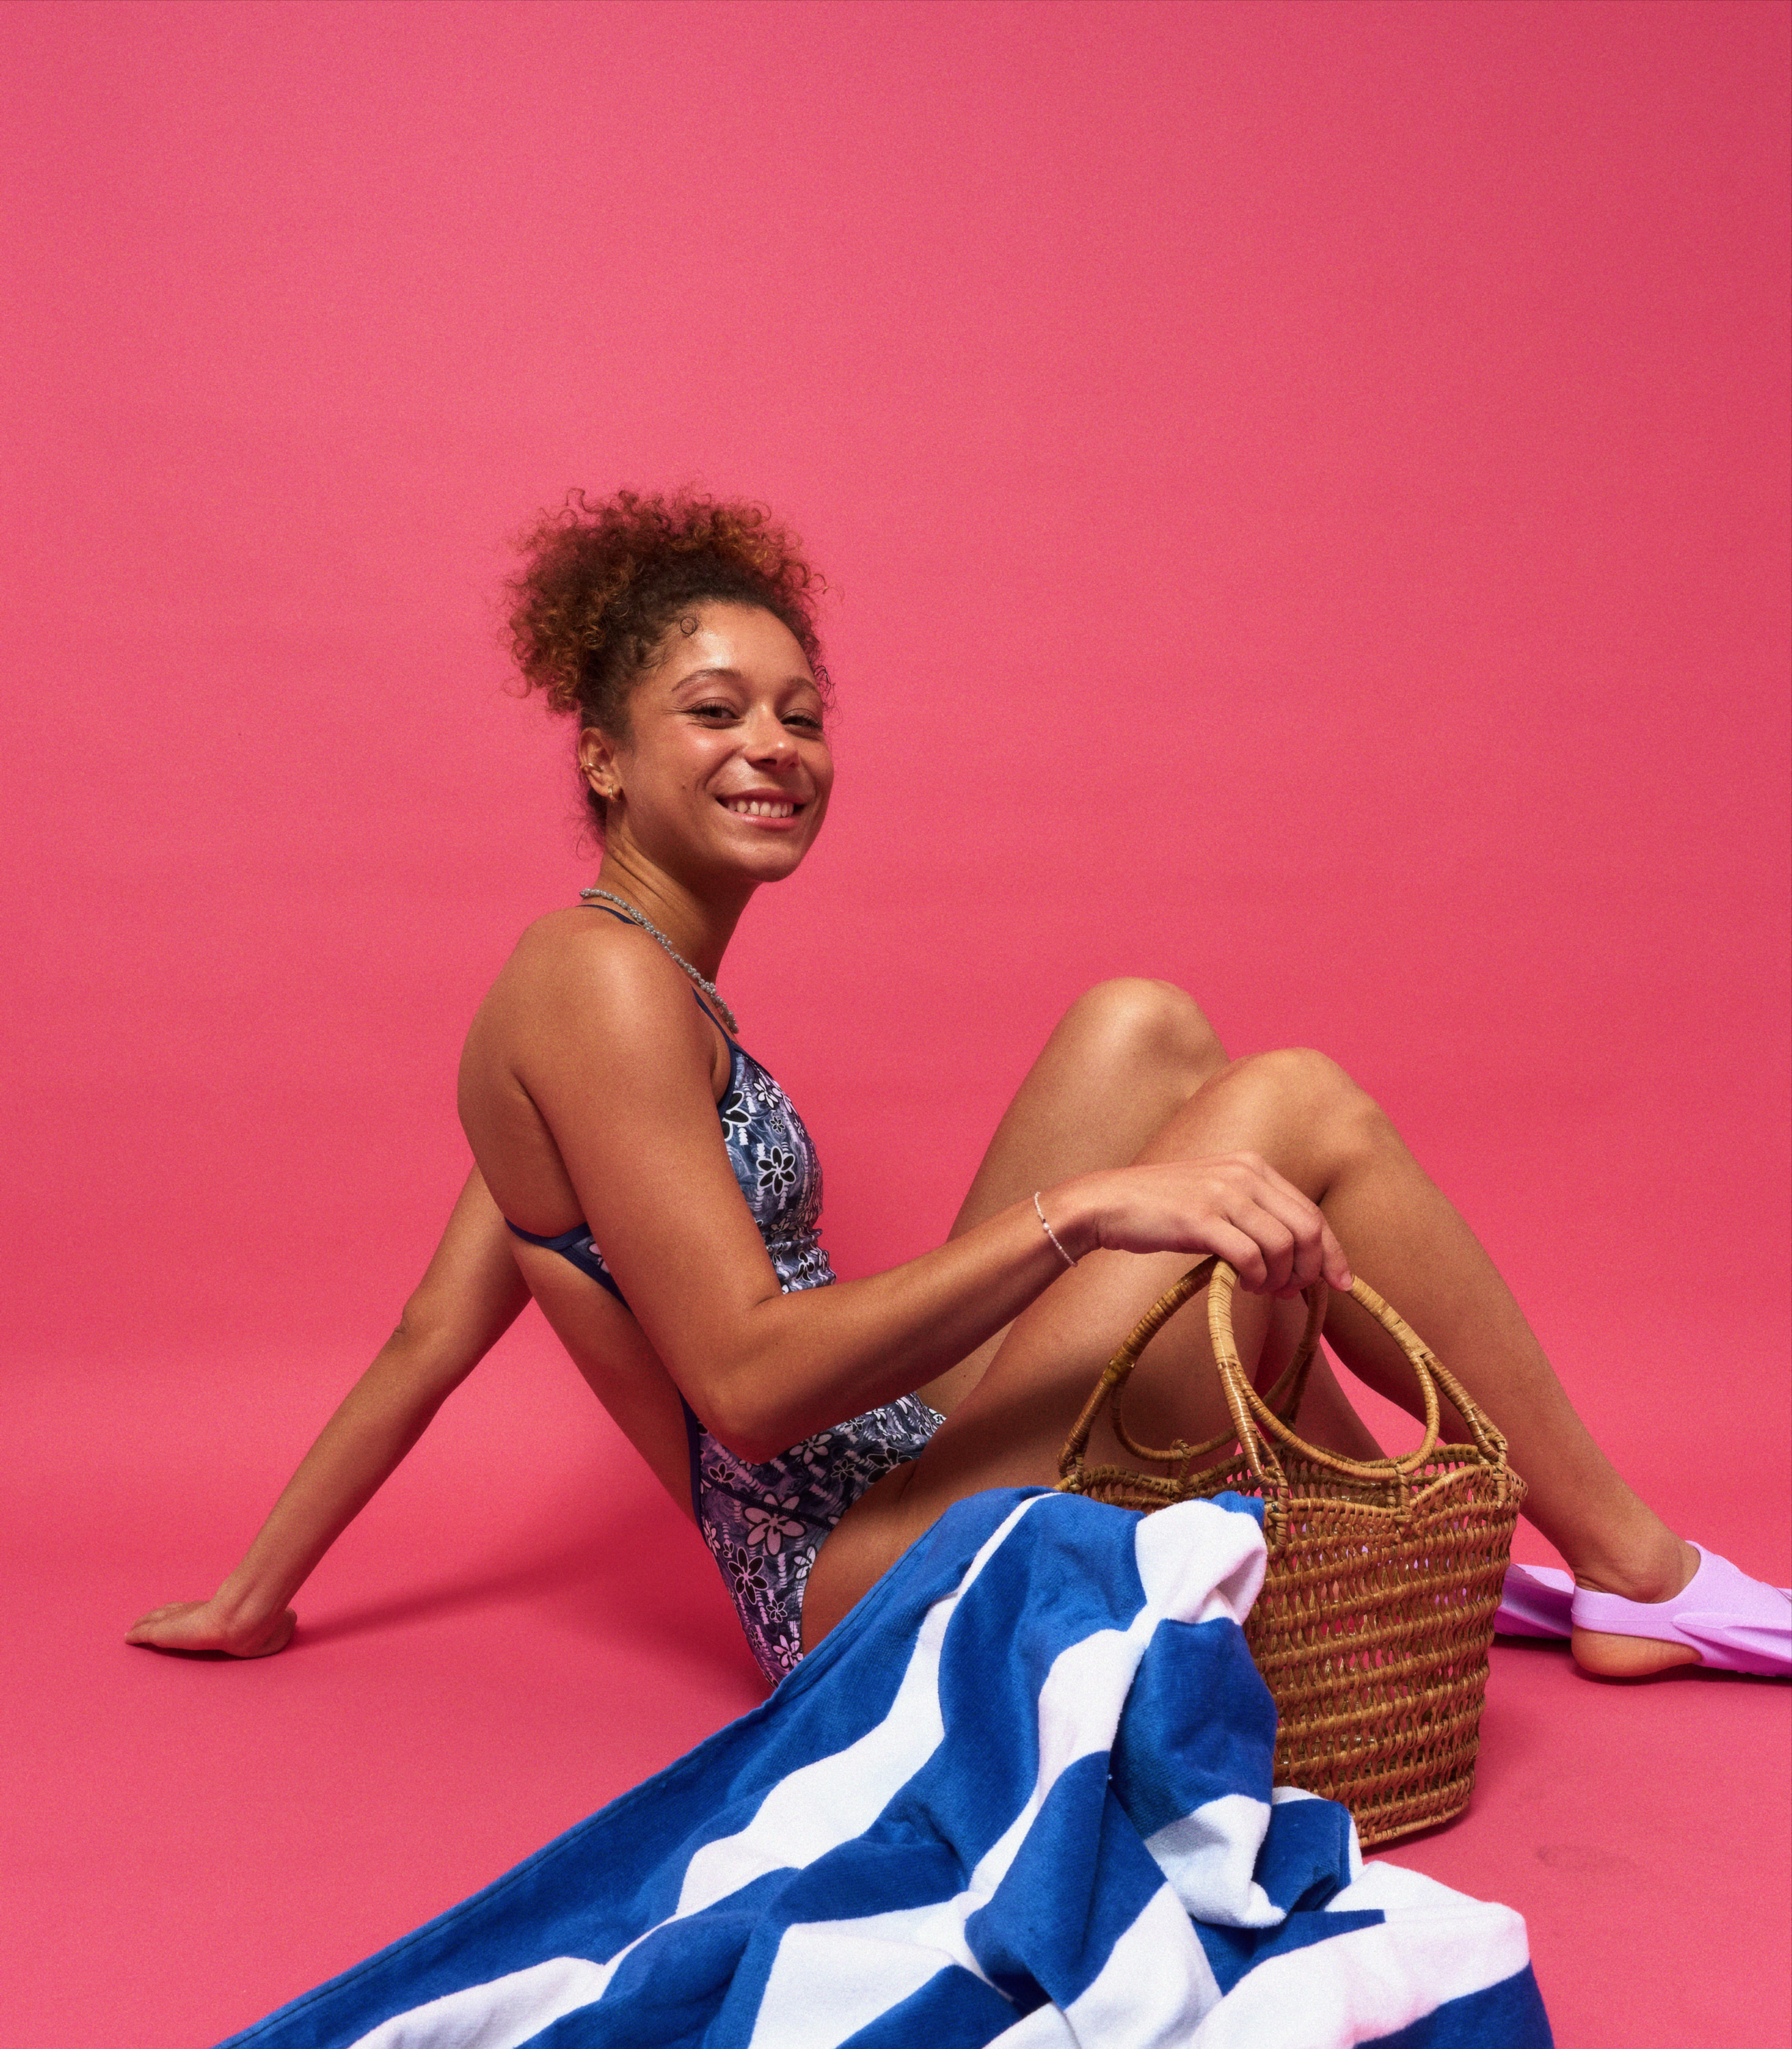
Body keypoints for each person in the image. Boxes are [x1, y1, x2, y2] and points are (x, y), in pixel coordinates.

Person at [125, 492, 1789, 1685]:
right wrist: (1083, 1213)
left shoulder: (601, 1001)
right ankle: (1626, 1566)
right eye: (712, 710)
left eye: (800, 713)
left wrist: (253, 1594)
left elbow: (433, 1328)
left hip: (911, 1465)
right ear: (602, 756)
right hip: (857, 1582)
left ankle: (1377, 1540)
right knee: (1295, 1102)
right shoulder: (592, 980)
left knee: (1140, 1023)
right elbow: (748, 1388)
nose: (773, 745)